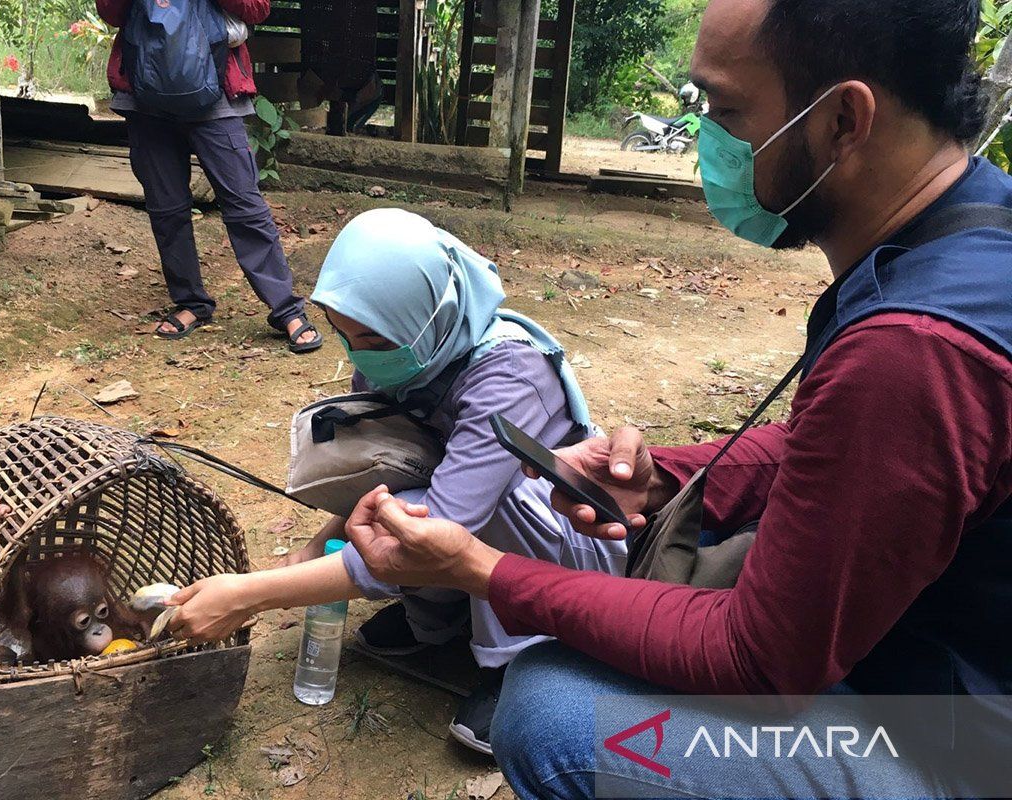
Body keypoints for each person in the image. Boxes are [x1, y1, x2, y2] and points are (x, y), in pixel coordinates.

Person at [311, 1, 1012, 798]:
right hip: (941, 655)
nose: (707, 139)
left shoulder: (914, 350)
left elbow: (755, 663)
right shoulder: (970, 236)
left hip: (959, 741)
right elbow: (839, 449)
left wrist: (484, 571)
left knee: (552, 706)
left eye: (726, 109)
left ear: (844, 118)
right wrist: (672, 475)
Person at [166, 208, 627, 755]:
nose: (361, 356)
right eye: (345, 334)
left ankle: (524, 659)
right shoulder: (407, 353)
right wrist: (316, 545)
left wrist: (252, 595)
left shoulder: (510, 377)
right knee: (393, 483)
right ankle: (441, 621)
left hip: (570, 535)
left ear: (436, 310)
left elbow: (438, 524)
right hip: (468, 509)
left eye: (375, 340)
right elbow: (393, 470)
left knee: (419, 516)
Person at [95, 0, 323, 352]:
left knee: (244, 203)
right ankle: (192, 303)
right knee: (166, 207)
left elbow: (258, 8)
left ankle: (285, 309)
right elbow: (110, 12)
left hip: (218, 93)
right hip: (145, 90)